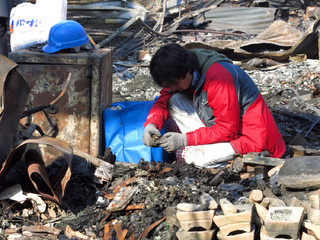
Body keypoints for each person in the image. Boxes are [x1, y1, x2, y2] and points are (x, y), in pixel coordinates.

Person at [142, 43, 286, 168]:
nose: (173, 86)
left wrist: (183, 140)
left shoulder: (219, 77)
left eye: (174, 83)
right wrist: (151, 124)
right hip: (225, 129)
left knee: (195, 160)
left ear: (187, 71)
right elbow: (163, 99)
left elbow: (227, 130)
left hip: (253, 139)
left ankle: (224, 159)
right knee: (174, 100)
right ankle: (204, 147)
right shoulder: (184, 68)